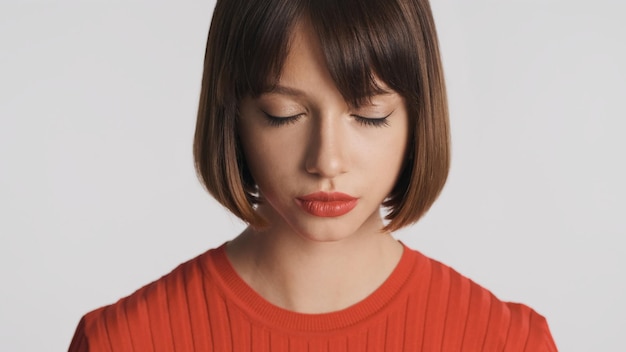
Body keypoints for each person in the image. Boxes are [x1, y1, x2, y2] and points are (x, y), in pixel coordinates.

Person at [69, 0, 557, 350]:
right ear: (232, 114)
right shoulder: (123, 340)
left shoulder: (507, 341)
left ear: (418, 118)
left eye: (368, 115)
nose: (326, 161)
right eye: (283, 114)